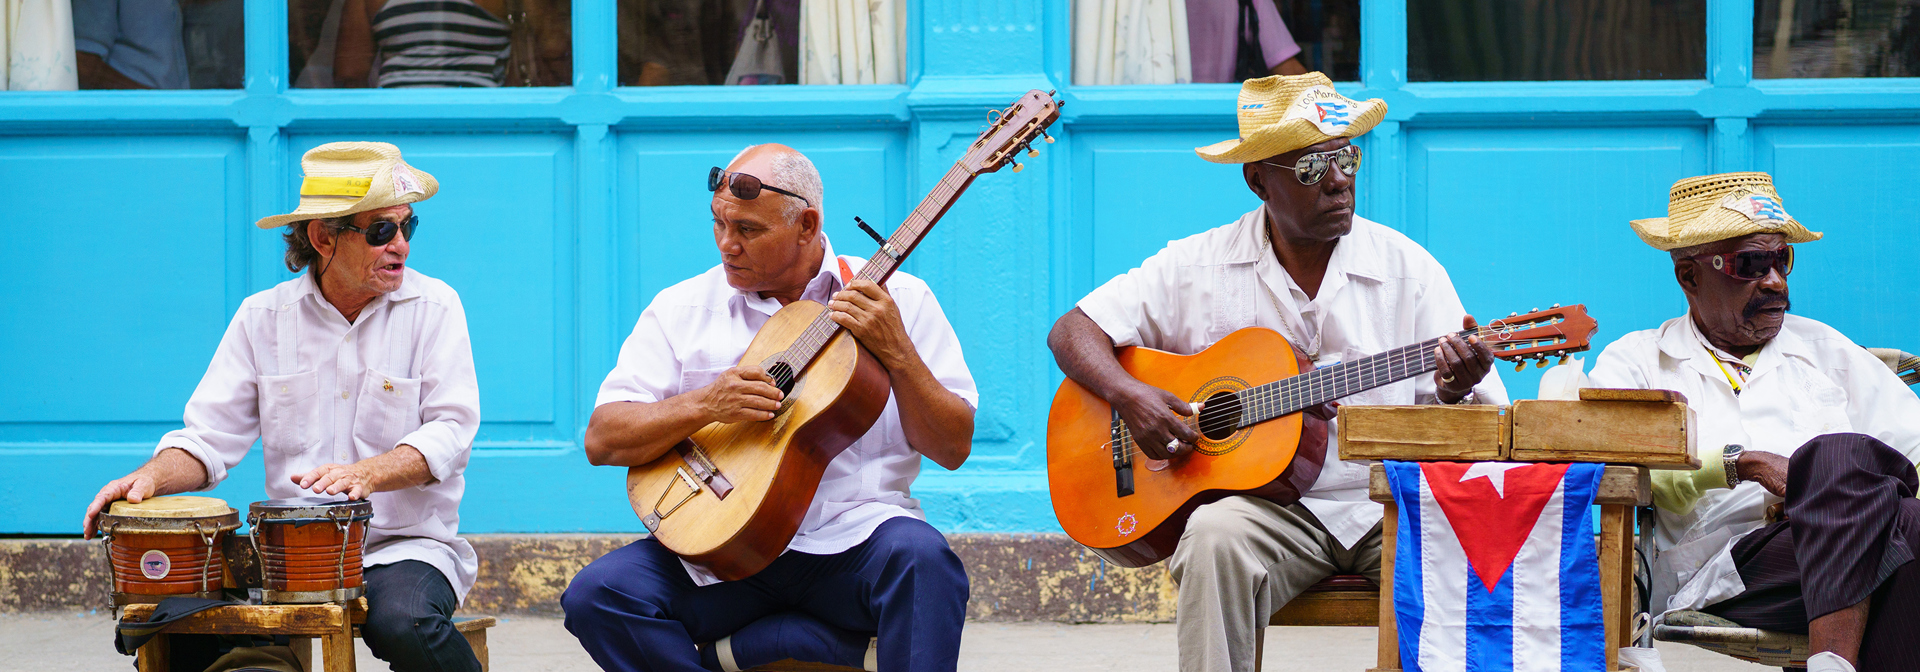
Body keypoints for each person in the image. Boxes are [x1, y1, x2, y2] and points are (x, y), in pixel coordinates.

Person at [1048, 72, 1504, 672]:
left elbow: (1491, 425)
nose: (1340, 180)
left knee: (1483, 546)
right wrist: (1132, 397)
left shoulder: (1409, 271)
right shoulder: (1196, 264)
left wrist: (1452, 390)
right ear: (1258, 178)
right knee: (1212, 537)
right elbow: (1072, 331)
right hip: (1273, 512)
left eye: (1346, 157)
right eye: (1314, 168)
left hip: (1388, 504)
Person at [562, 144, 977, 672]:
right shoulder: (682, 308)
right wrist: (706, 403)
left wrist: (898, 352)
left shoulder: (901, 300)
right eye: (718, 224)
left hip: (856, 539)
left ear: (807, 225)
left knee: (926, 564)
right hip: (725, 553)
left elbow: (952, 446)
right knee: (598, 596)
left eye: (748, 231)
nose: (726, 246)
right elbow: (603, 440)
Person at [80, 142, 485, 672]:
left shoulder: (435, 307)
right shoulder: (262, 317)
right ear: (322, 237)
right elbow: (207, 438)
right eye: (382, 231)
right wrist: (148, 478)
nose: (402, 246)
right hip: (284, 554)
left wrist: (369, 473)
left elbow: (452, 430)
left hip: (402, 546)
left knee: (406, 624)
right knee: (170, 621)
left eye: (409, 227)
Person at [1589, 172, 1920, 672]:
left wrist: (1833, 500)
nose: (1775, 281)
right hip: (1721, 578)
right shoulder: (1638, 361)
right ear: (1689, 275)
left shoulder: (1827, 351)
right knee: (1841, 460)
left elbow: (1915, 448)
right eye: (1751, 263)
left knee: (1891, 510)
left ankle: (1832, 661)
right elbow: (1612, 460)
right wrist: (1741, 464)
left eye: (1781, 259)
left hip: (1840, 559)